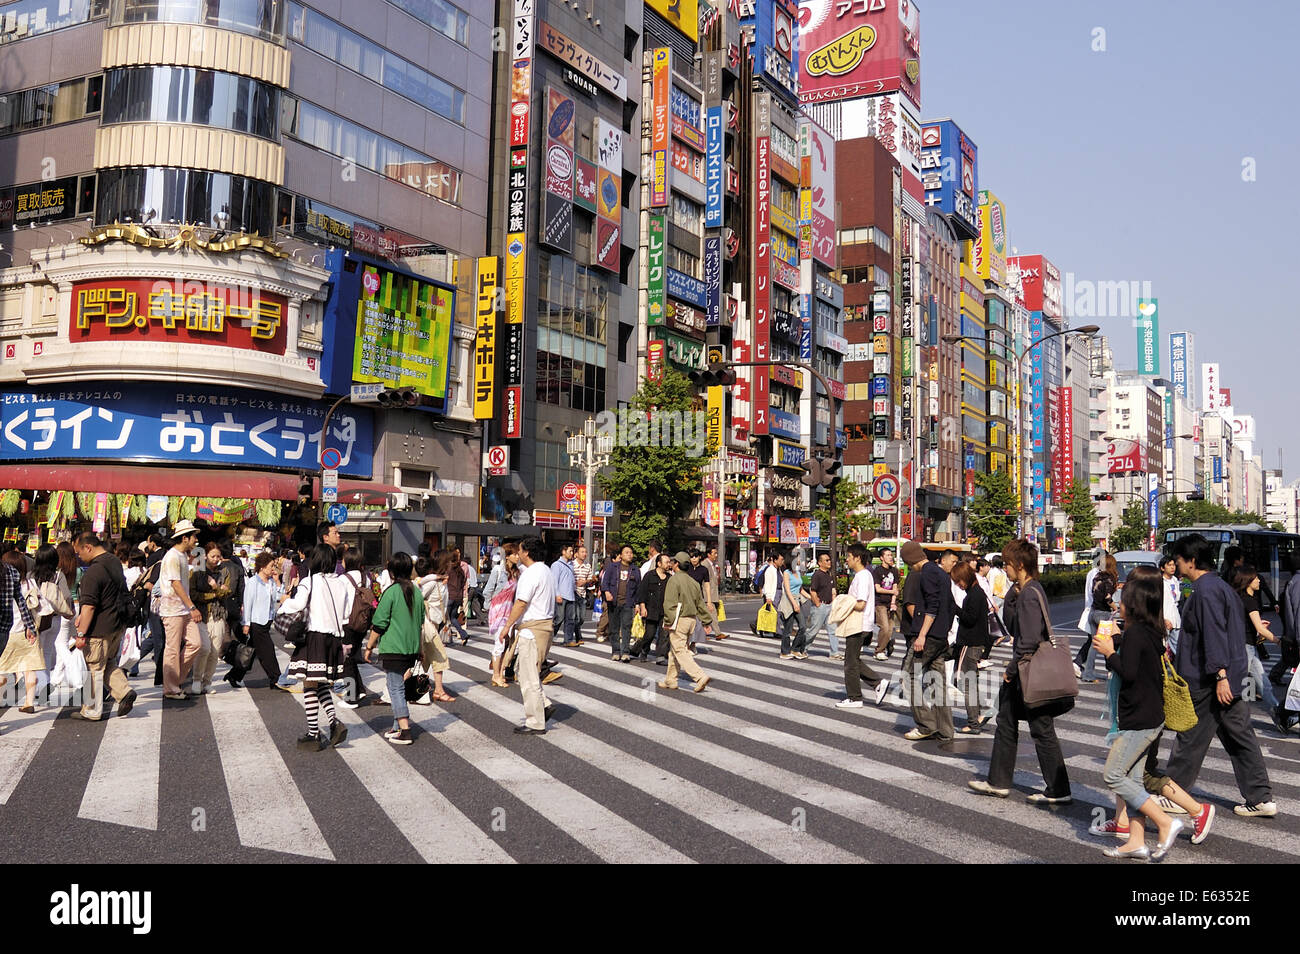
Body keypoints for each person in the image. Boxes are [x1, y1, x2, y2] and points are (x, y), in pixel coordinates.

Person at [1164, 534, 1276, 817]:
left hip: (1208, 679)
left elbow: (1213, 634)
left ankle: (1176, 793)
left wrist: (1219, 675)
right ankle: (1260, 798)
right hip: (1230, 676)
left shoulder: (1205, 590)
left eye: (1178, 560)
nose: (1176, 565)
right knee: (1240, 736)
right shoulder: (1221, 587)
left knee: (1190, 736)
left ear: (1191, 561)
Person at [1090, 565, 1183, 860]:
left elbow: (1127, 672)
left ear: (1134, 605)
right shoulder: (1150, 632)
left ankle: (1166, 822)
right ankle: (1136, 842)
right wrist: (1114, 643)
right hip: (1151, 715)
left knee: (1114, 776)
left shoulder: (1135, 635)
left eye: (1123, 601)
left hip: (1139, 719)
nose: (1119, 605)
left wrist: (1108, 653)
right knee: (1131, 779)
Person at [969, 538, 1072, 804]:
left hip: (1026, 672)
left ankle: (1058, 789)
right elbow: (1015, 626)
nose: (1005, 569)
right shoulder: (1028, 590)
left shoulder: (1029, 594)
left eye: (1007, 564)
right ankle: (998, 781)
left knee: (1041, 728)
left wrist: (1010, 671)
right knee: (1007, 721)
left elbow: (1026, 640)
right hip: (1026, 671)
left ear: (1021, 564)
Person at [279, 544, 352, 751]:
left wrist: (284, 602)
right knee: (319, 684)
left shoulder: (309, 582)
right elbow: (345, 613)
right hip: (334, 639)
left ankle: (313, 734)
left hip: (314, 637)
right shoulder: (342, 584)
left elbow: (298, 604)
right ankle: (334, 723)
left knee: (309, 685)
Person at [70, 533, 137, 721]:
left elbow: (89, 606)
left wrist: (81, 633)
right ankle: (124, 692)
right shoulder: (113, 561)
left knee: (94, 668)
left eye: (79, 552)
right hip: (117, 624)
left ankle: (92, 710)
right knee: (107, 663)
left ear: (88, 548)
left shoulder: (93, 572)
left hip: (99, 628)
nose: (78, 556)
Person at [498, 538, 557, 734]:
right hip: (545, 626)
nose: (518, 553)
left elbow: (521, 602)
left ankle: (535, 722)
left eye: (520, 550)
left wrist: (507, 626)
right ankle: (544, 704)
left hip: (532, 629)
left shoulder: (531, 573)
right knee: (526, 671)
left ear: (527, 552)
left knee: (528, 676)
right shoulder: (545, 570)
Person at [365, 552, 425, 745]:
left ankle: (405, 730)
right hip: (412, 647)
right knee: (400, 686)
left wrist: (369, 646)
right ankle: (397, 727)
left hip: (394, 647)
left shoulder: (390, 592)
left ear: (391, 571)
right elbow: (421, 623)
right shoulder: (416, 592)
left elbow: (379, 623)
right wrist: (421, 649)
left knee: (395, 687)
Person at [903, 546, 956, 742]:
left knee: (907, 676)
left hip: (928, 636)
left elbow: (932, 606)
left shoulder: (926, 573)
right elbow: (950, 605)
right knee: (939, 682)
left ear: (910, 561)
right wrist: (945, 629)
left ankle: (926, 724)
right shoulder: (941, 573)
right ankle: (945, 729)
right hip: (940, 636)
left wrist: (922, 635)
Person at [1231, 565, 1288, 733]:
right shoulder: (1248, 600)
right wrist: (1278, 642)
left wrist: (1257, 626)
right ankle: (1278, 715)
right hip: (1246, 648)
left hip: (1246, 646)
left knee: (1257, 684)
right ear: (1247, 581)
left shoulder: (1241, 598)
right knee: (1250, 684)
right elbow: (1260, 629)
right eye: (1255, 578)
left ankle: (1273, 715)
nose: (1258, 580)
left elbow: (1247, 624)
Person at [833, 544, 888, 708]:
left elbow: (860, 603)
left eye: (849, 556)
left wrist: (843, 601)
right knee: (854, 659)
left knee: (850, 663)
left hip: (859, 624)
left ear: (857, 557)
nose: (847, 560)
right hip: (862, 624)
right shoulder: (863, 575)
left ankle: (855, 697)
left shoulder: (862, 576)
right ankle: (877, 683)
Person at [157, 521, 205, 701]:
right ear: (185, 538)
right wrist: (192, 606)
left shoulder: (183, 555)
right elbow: (175, 583)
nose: (196, 540)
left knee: (195, 643)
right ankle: (170, 687)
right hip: (172, 609)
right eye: (194, 536)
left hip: (183, 609)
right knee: (172, 648)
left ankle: (174, 680)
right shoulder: (173, 556)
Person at [657, 552, 714, 693]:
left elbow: (669, 604)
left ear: (676, 564)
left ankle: (699, 676)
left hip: (678, 619)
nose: (671, 564)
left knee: (680, 650)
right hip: (691, 620)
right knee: (674, 650)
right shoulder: (693, 582)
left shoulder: (674, 580)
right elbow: (700, 604)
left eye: (673, 562)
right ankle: (671, 680)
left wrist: (668, 622)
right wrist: (707, 621)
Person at [232, 551, 289, 691]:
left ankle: (234, 675)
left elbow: (277, 596)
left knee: (250, 652)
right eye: (271, 566)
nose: (273, 569)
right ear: (262, 567)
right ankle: (276, 679)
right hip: (257, 623)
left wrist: (277, 581)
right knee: (268, 652)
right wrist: (246, 623)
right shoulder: (253, 582)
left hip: (267, 620)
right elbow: (248, 603)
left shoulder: (270, 582)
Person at [952, 560, 991, 733]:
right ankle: (982, 711)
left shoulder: (974, 594)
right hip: (974, 642)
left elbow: (970, 619)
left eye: (958, 581)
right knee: (969, 682)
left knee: (965, 683)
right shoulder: (976, 592)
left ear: (965, 577)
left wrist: (955, 609)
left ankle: (973, 722)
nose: (958, 585)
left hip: (970, 642)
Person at [31, 544, 74, 703]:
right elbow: (66, 596)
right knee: (48, 652)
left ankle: (41, 686)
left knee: (37, 654)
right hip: (54, 619)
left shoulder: (31, 576)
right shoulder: (58, 576)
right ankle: (44, 684)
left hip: (36, 619)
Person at [336, 547, 376, 707]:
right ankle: (359, 690)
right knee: (351, 659)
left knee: (346, 660)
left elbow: (340, 602)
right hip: (362, 623)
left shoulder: (344, 579)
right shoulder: (367, 577)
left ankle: (352, 697)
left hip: (347, 623)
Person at [190, 542, 231, 695]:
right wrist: (215, 593)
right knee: (204, 648)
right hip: (202, 614)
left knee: (215, 650)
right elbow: (193, 594)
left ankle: (207, 682)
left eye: (218, 556)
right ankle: (196, 679)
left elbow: (228, 592)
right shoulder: (197, 571)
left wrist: (216, 588)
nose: (215, 559)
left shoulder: (224, 571)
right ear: (206, 555)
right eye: (212, 556)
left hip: (218, 613)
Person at [414, 552, 453, 703]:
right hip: (427, 624)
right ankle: (438, 690)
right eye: (448, 562)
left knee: (423, 661)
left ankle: (398, 691)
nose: (450, 565)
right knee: (439, 656)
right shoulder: (432, 582)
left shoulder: (442, 582)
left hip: (435, 624)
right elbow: (417, 595)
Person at [485, 543, 520, 688]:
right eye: (515, 554)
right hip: (498, 610)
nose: (517, 556)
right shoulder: (498, 570)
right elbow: (488, 590)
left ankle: (500, 672)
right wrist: (489, 607)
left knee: (507, 642)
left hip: (509, 610)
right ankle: (496, 676)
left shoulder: (517, 573)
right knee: (499, 642)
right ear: (508, 556)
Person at [1081, 553, 1120, 683]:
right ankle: (1112, 671)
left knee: (1094, 643)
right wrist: (1115, 608)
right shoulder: (1109, 579)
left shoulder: (1096, 577)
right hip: (1103, 614)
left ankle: (1088, 673)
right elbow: (1108, 598)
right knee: (1108, 643)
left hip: (1093, 612)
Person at [600, 544, 641, 662]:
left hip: (628, 603)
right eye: (627, 552)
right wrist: (607, 592)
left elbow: (638, 588)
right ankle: (616, 651)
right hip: (613, 602)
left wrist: (637, 604)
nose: (629, 554)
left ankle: (626, 652)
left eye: (631, 553)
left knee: (626, 627)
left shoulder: (635, 569)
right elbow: (605, 582)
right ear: (621, 555)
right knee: (614, 627)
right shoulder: (613, 567)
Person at [631, 552, 670, 662]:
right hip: (651, 610)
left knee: (664, 635)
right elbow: (642, 592)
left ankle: (661, 656)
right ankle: (642, 650)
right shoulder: (649, 575)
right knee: (649, 634)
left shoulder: (669, 578)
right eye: (666, 562)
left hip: (664, 611)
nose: (668, 564)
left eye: (669, 562)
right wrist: (642, 607)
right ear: (659, 563)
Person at [801, 552, 838, 658]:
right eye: (826, 560)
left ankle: (834, 653)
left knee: (833, 630)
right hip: (820, 606)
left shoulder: (829, 575)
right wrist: (817, 603)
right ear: (820, 563)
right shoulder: (817, 575)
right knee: (813, 631)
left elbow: (833, 590)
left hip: (829, 606)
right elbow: (813, 591)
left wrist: (834, 603)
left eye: (829, 560)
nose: (829, 562)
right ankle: (802, 648)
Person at [776, 553, 806, 660]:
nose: (799, 561)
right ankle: (784, 652)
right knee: (788, 629)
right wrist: (794, 604)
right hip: (789, 602)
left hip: (797, 600)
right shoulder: (786, 573)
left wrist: (811, 598)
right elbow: (788, 590)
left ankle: (795, 649)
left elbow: (800, 589)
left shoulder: (797, 572)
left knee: (803, 626)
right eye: (798, 559)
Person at [872, 548, 900, 660]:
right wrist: (891, 592)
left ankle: (886, 644)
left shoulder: (894, 571)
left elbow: (895, 588)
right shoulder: (877, 571)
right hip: (880, 603)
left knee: (889, 629)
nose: (890, 557)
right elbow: (878, 589)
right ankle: (879, 651)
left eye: (891, 555)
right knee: (884, 626)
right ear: (881, 558)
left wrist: (893, 602)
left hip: (890, 603)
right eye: (887, 555)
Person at [551, 543, 579, 647]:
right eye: (570, 551)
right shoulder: (557, 565)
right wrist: (557, 594)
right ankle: (550, 636)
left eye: (572, 551)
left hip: (570, 595)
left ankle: (568, 640)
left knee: (570, 619)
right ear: (563, 552)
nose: (572, 553)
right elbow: (554, 581)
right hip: (561, 596)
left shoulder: (571, 565)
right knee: (558, 618)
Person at [1160, 555, 1183, 654]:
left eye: (1173, 565)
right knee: (1163, 646)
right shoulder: (1160, 581)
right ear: (1162, 568)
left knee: (1178, 646)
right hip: (1165, 618)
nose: (1172, 567)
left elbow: (1177, 599)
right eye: (1169, 565)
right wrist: (1163, 619)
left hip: (1176, 619)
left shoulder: (1175, 580)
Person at [572, 544, 594, 643]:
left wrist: (585, 581)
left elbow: (591, 579)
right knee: (576, 616)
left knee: (582, 618)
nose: (584, 554)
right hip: (573, 593)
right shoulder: (571, 565)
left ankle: (575, 631)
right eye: (582, 552)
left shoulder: (588, 566)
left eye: (585, 552)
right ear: (576, 554)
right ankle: (578, 636)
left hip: (583, 594)